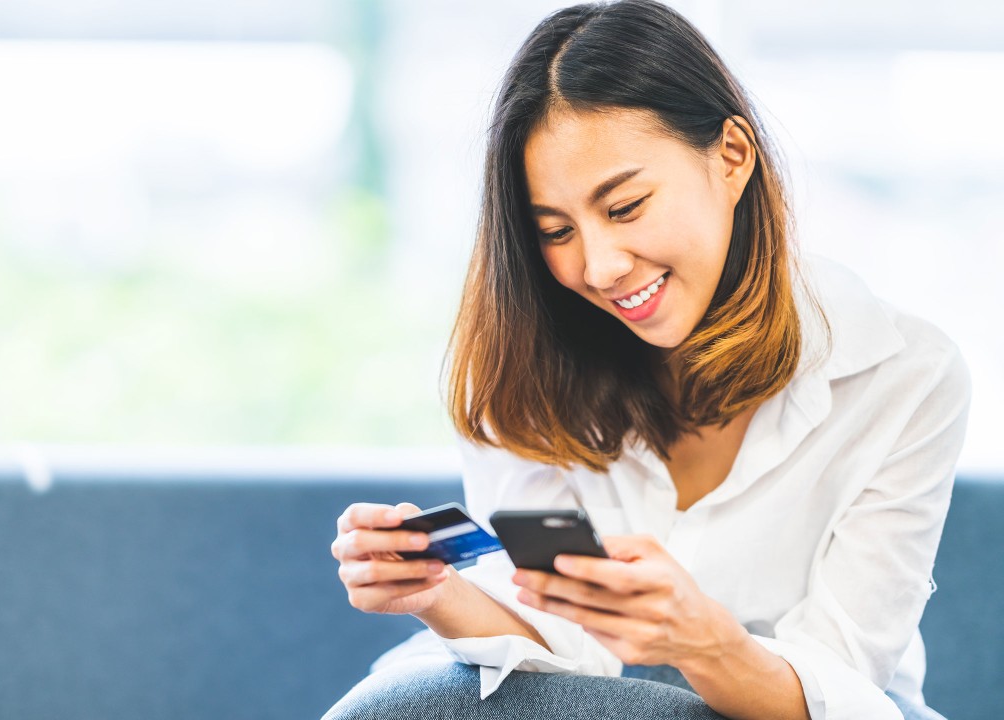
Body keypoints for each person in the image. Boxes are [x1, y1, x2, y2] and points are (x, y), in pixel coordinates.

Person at [323, 1, 970, 719]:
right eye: (555, 230)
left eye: (626, 207)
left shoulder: (905, 376)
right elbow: (564, 656)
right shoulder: (519, 372)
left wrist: (704, 643)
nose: (599, 267)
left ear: (732, 156)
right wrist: (439, 595)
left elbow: (837, 685)